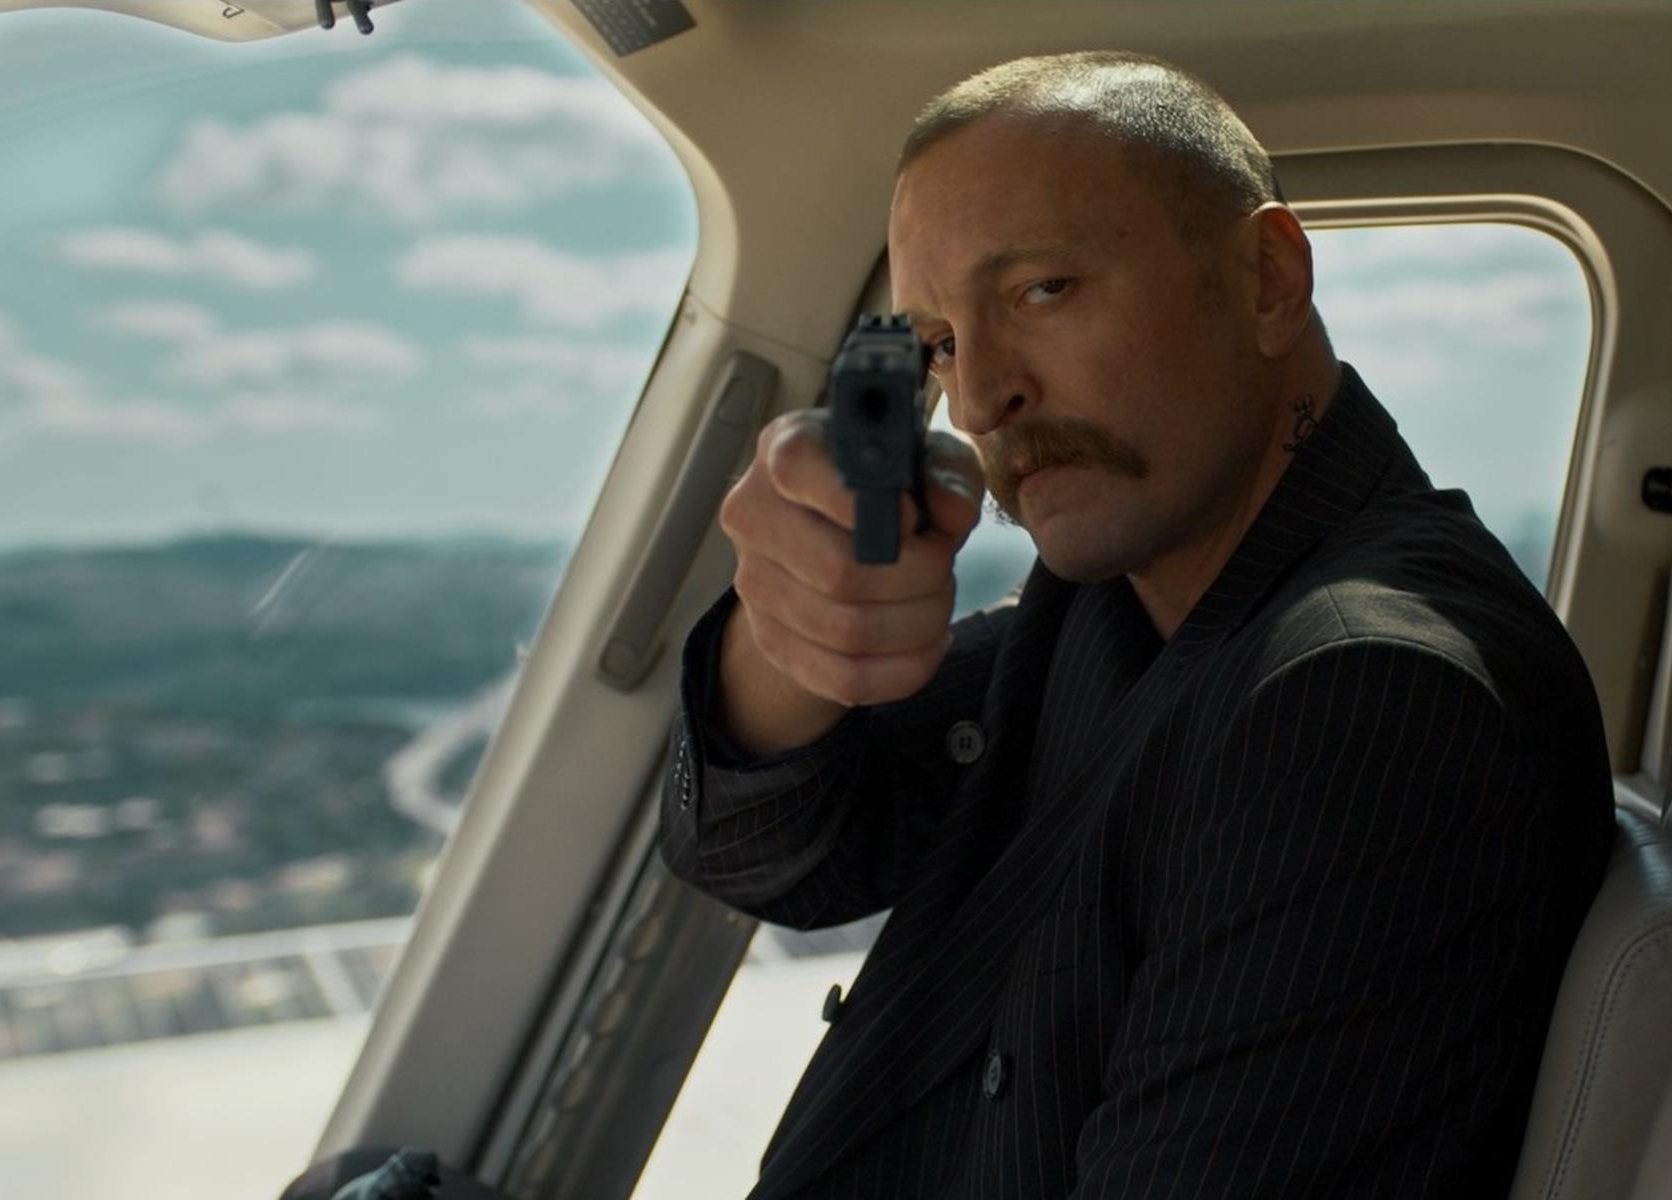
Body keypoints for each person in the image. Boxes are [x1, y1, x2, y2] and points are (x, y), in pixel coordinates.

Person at [660, 50, 1614, 1199]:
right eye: (942, 342)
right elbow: (764, 855)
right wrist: (798, 633)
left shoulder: (1362, 697)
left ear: (1267, 278)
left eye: (1042, 290)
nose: (980, 399)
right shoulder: (1113, 603)